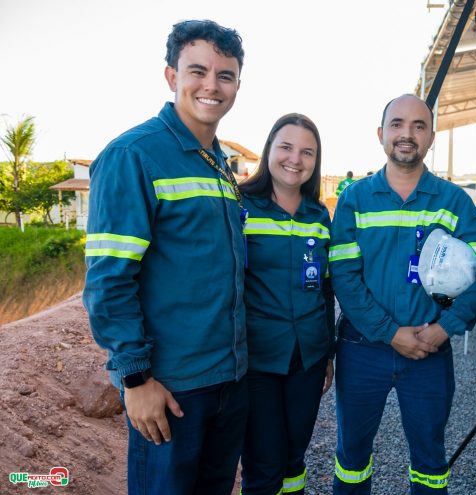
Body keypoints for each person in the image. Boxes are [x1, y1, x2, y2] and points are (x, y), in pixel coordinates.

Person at [83, 20, 249, 494]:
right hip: (173, 389)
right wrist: (135, 380)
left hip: (228, 379)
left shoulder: (216, 162)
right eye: (197, 70)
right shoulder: (134, 155)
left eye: (226, 75)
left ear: (238, 84)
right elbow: (108, 281)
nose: (211, 86)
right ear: (171, 76)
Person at [329, 94, 476, 494]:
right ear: (380, 133)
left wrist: (446, 327)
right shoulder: (355, 198)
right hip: (363, 348)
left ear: (432, 136)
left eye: (419, 126)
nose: (407, 134)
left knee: (430, 461)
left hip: (429, 351)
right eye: (398, 124)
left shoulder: (454, 202)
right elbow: (345, 278)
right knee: (352, 458)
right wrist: (389, 332)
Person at [238, 113, 335, 494]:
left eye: (306, 152)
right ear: (269, 151)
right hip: (256, 360)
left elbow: (325, 291)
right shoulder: (241, 206)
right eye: (286, 147)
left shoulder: (319, 216)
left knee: (294, 458)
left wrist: (327, 353)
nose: (295, 159)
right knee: (264, 463)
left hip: (307, 359)